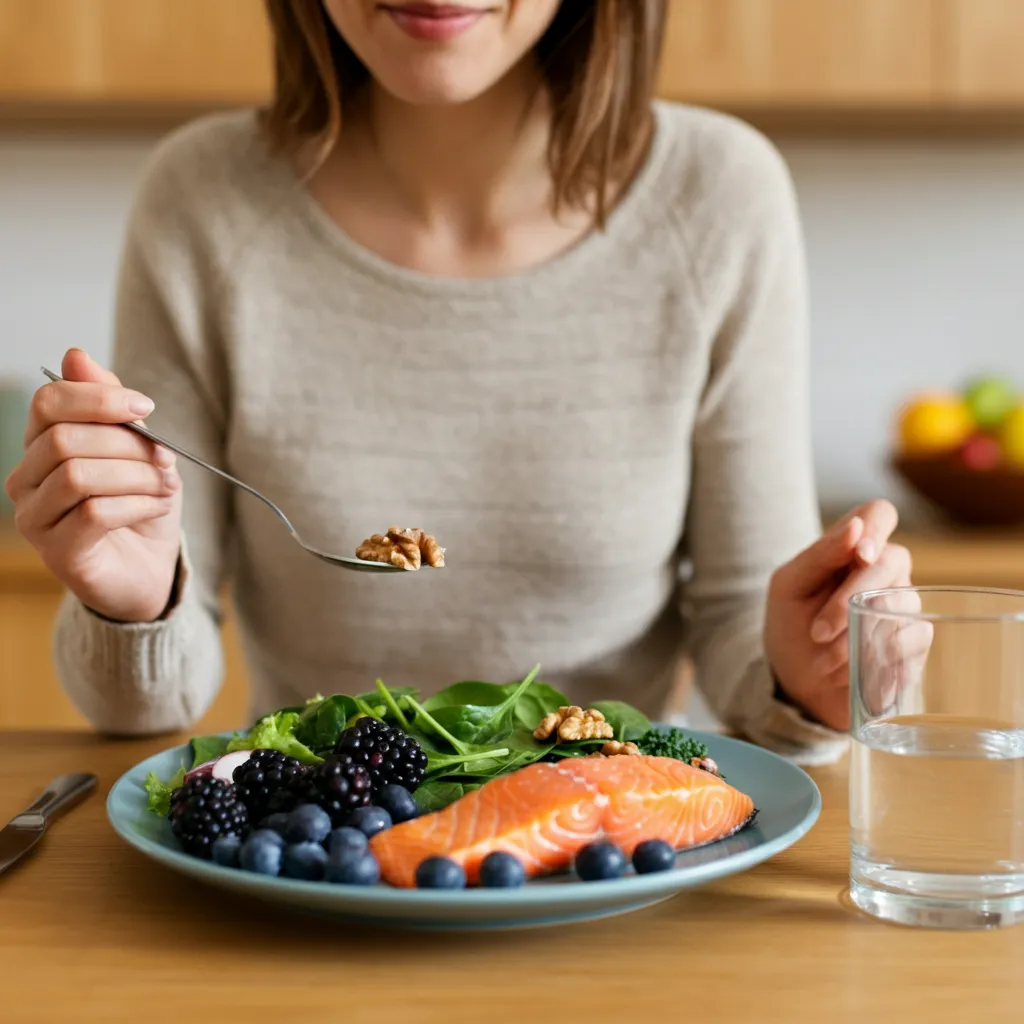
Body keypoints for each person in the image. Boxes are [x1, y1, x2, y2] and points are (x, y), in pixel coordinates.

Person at [5, 0, 912, 763]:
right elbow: (149, 704)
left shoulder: (719, 198)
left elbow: (738, 642)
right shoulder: (202, 202)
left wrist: (812, 676)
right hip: (308, 876)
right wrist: (132, 602)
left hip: (610, 865)